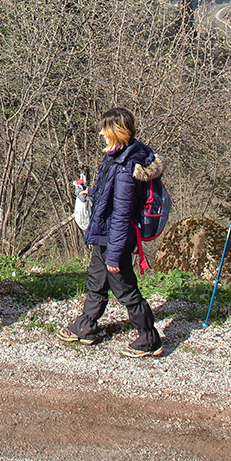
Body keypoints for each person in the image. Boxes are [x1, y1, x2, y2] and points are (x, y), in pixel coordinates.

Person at [57, 107, 162, 358]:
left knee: (125, 289)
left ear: (116, 131)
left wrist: (114, 255)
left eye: (105, 128)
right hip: (105, 233)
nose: (101, 133)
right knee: (97, 281)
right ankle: (86, 325)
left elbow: (122, 214)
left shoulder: (127, 166)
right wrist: (90, 192)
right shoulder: (116, 156)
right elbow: (110, 194)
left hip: (115, 237)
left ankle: (149, 338)